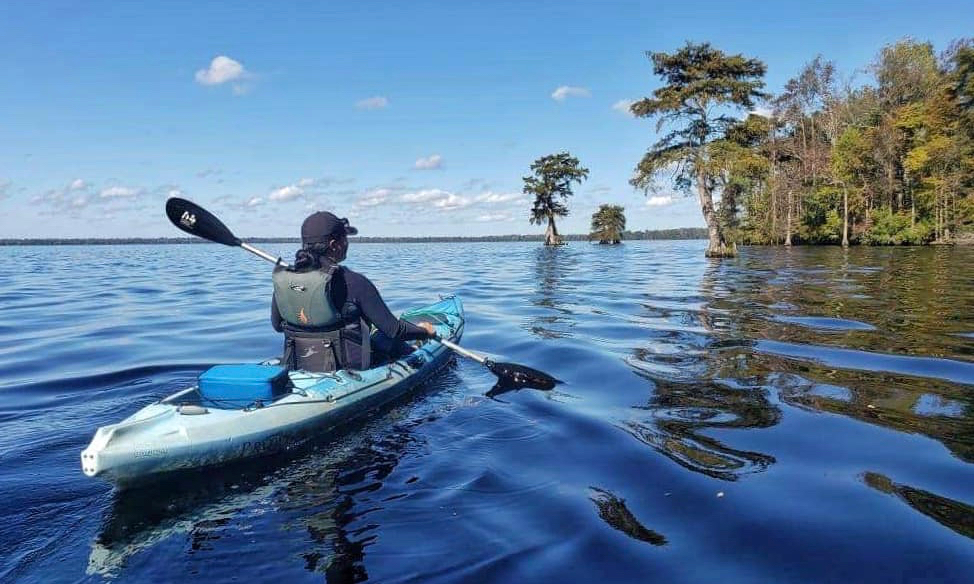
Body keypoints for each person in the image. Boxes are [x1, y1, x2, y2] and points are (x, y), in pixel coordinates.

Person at [270, 211, 435, 372]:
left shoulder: (286, 280)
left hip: (298, 362)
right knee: (389, 341)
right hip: (350, 367)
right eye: (345, 239)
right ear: (335, 245)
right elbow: (394, 330)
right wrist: (424, 331)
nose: (347, 244)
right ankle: (414, 351)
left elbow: (278, 326)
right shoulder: (354, 282)